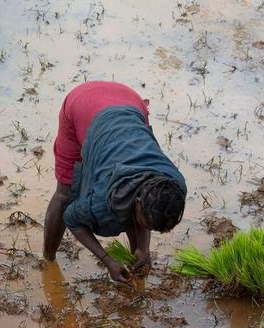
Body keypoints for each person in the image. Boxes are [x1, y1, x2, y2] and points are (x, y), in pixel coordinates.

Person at [43, 81, 186, 282]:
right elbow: (72, 218)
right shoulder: (103, 196)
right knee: (65, 194)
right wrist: (108, 261)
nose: (147, 228)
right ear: (137, 201)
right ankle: (48, 260)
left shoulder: (174, 185)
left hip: (130, 103)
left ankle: (137, 261)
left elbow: (150, 205)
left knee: (140, 214)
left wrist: (144, 250)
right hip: (83, 105)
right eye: (146, 223)